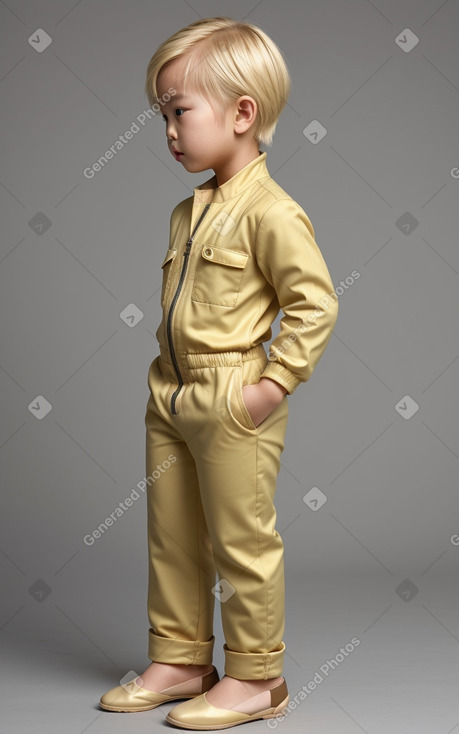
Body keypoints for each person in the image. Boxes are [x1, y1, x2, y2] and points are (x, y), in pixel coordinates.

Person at [99, 16, 339, 730]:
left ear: (242, 114)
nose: (168, 130)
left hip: (232, 395)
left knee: (240, 539)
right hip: (168, 393)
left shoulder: (273, 212)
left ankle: (258, 677)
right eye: (161, 115)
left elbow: (314, 303)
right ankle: (180, 658)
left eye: (179, 111)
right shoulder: (186, 211)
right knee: (171, 532)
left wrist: (271, 385)